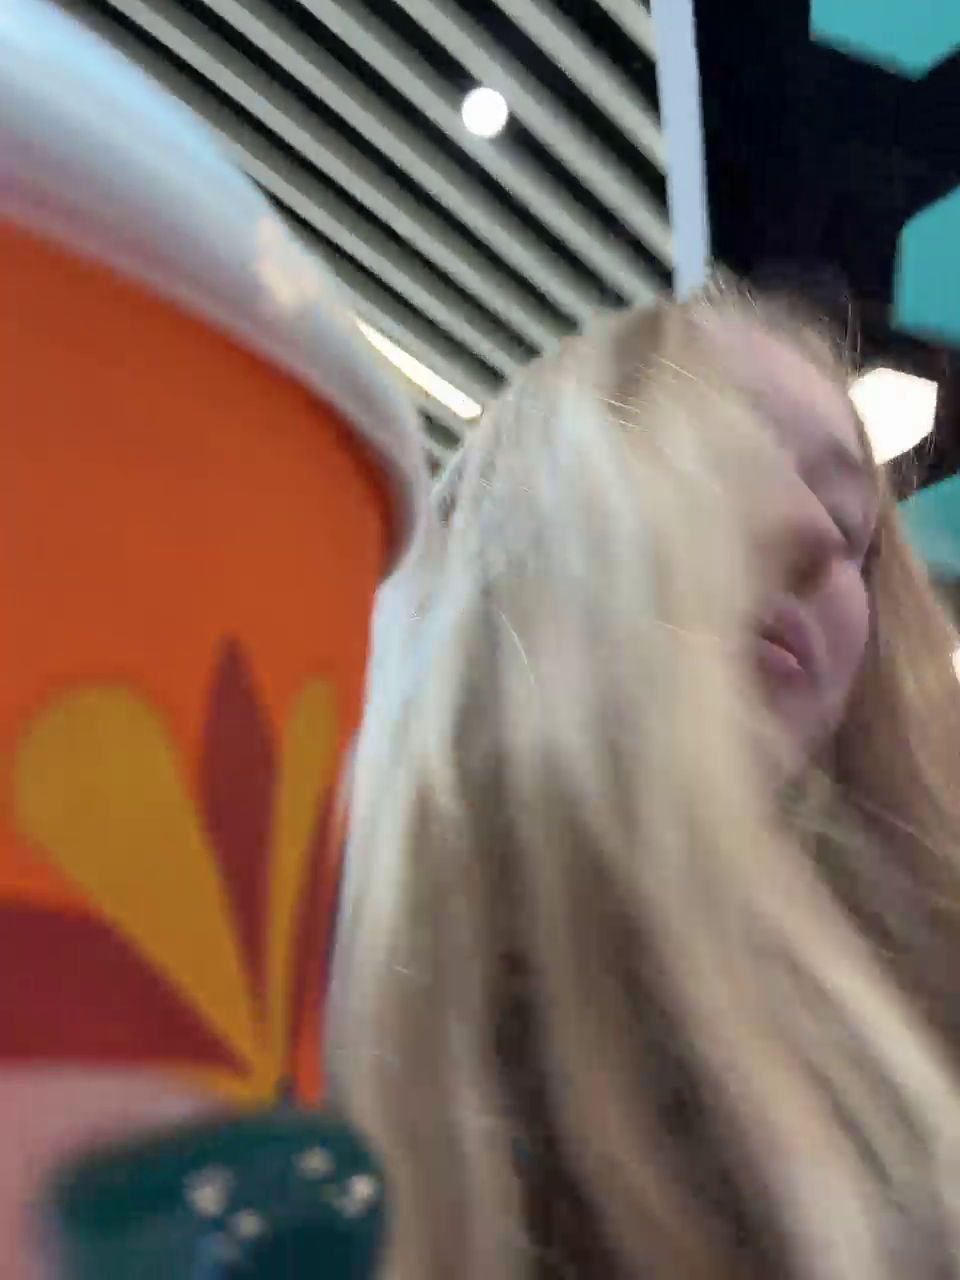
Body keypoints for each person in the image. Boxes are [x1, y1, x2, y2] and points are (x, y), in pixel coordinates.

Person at [329, 283, 960, 1280]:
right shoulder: (264, 972)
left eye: (853, 530)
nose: (811, 530)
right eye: (728, 445)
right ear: (518, 515)